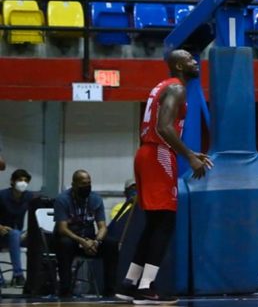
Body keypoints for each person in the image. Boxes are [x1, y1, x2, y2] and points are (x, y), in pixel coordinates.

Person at [115, 49, 213, 304]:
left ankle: (129, 283)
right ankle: (146, 287)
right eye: (191, 60)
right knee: (165, 222)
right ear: (179, 65)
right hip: (158, 153)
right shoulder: (177, 88)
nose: (195, 63)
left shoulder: (162, 86)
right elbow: (164, 127)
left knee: (155, 223)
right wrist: (189, 157)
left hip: (146, 153)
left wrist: (191, 152)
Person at [53, 170, 117, 298]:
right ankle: (65, 291)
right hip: (70, 239)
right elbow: (62, 228)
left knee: (111, 244)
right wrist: (81, 241)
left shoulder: (96, 199)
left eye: (89, 183)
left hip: (90, 240)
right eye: (83, 184)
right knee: (65, 244)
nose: (87, 187)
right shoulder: (62, 199)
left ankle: (110, 291)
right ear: (74, 184)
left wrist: (96, 242)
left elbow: (103, 227)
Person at [0, 169, 34, 287]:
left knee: (35, 238)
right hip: (2, 234)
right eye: (20, 180)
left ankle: (38, 279)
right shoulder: (2, 195)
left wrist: (29, 232)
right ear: (12, 181)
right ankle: (18, 275)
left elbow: (37, 216)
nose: (23, 183)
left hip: (20, 234)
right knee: (14, 234)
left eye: (25, 180)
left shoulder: (29, 196)